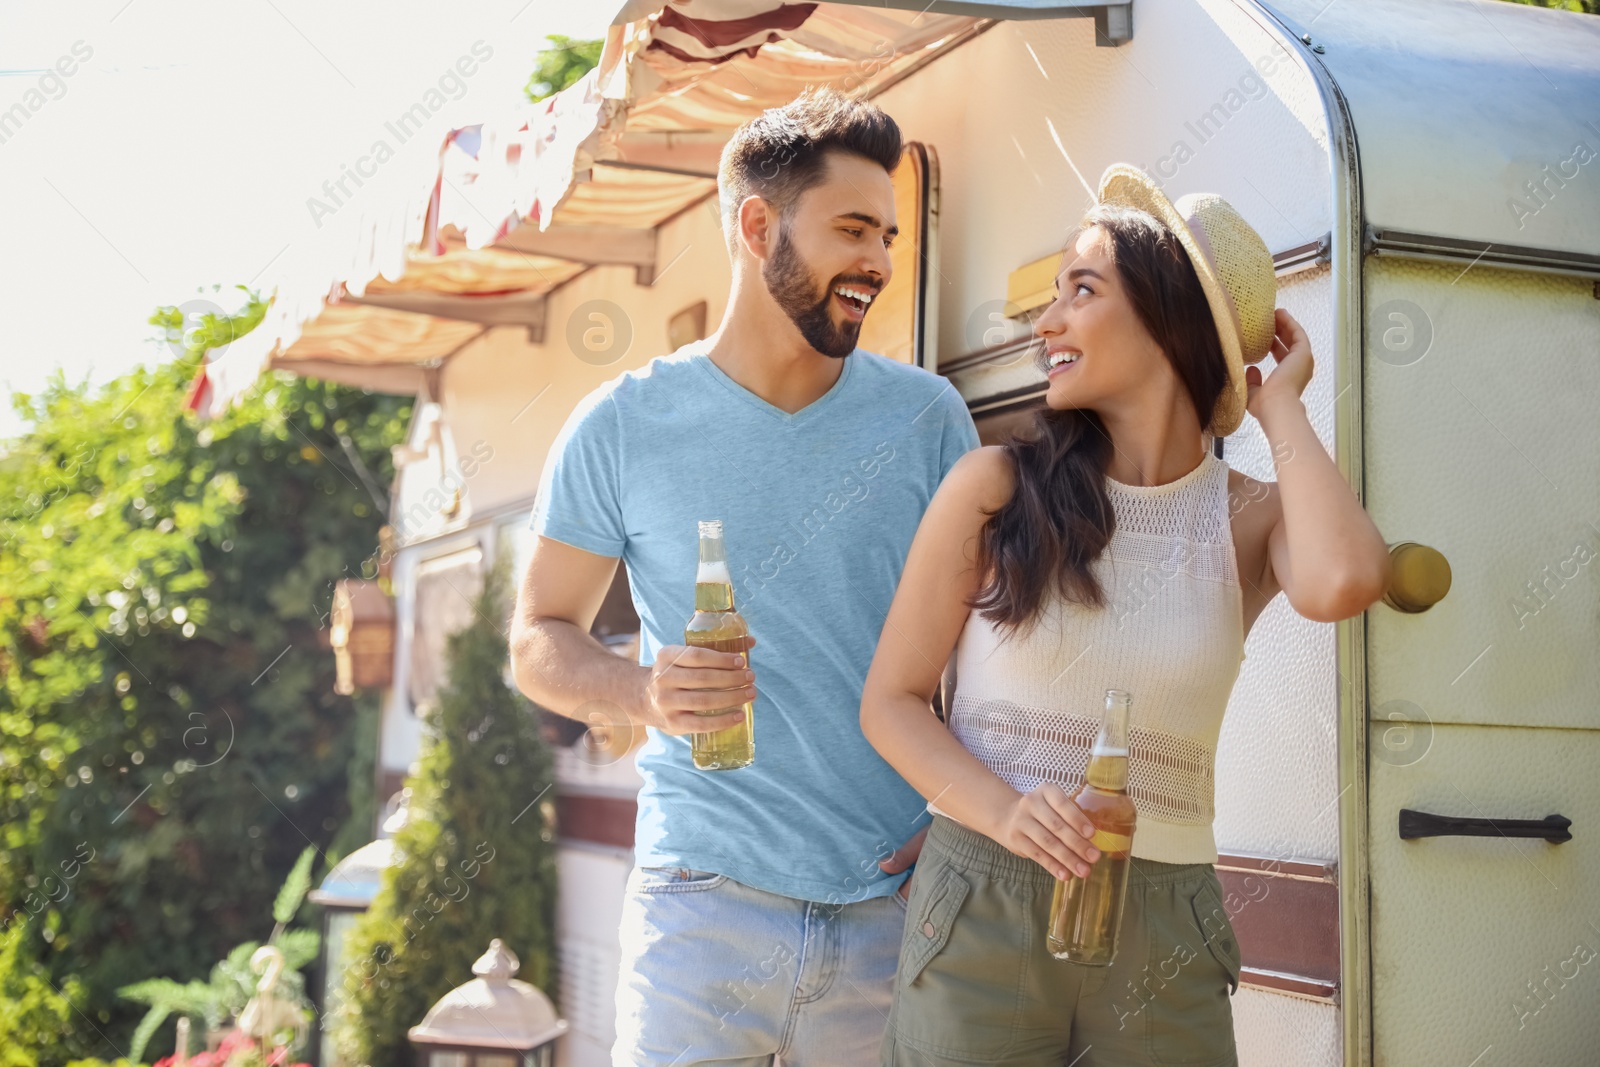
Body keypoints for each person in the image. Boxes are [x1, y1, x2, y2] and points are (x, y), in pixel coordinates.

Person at [860, 165, 1392, 1066]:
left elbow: (1345, 580)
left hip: (1167, 913)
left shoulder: (1249, 515)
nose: (1046, 323)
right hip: (987, 889)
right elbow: (892, 701)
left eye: (1082, 290)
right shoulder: (993, 488)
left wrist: (1281, 406)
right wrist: (1004, 811)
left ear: (1167, 317)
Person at [510, 87, 980, 1067]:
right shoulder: (624, 424)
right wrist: (638, 688)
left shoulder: (929, 421)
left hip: (889, 911)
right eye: (853, 229)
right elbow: (536, 638)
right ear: (756, 226)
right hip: (701, 909)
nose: (880, 263)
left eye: (889, 236)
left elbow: (992, 644)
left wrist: (965, 815)